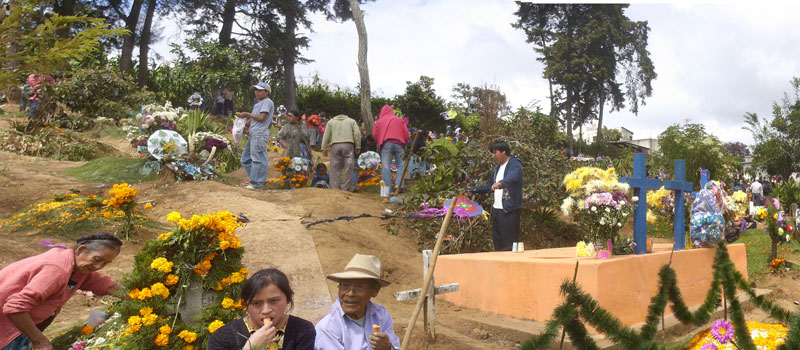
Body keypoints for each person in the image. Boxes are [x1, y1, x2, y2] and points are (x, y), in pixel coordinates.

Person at [0, 233, 123, 350]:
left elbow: (98, 283)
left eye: (105, 263)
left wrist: (135, 296)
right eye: (96, 259)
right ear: (81, 250)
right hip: (6, 327)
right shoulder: (57, 270)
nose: (98, 266)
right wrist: (40, 341)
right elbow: (15, 307)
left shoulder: (76, 265)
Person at [209, 269, 315, 350]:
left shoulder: (302, 330)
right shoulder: (222, 337)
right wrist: (251, 347)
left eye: (274, 301)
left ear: (287, 299)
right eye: (256, 303)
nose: (266, 310)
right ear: (246, 304)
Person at [315, 254, 400, 350]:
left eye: (359, 287)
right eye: (345, 286)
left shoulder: (381, 315)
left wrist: (387, 348)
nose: (350, 293)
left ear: (375, 290)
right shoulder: (328, 327)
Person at [467, 140, 524, 251]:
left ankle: (510, 266)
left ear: (503, 151)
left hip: (509, 210)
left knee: (509, 244)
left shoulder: (515, 164)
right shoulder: (498, 167)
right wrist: (473, 190)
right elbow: (491, 186)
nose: (493, 156)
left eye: (495, 152)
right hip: (497, 210)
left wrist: (500, 184)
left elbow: (511, 178)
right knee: (497, 241)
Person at [239, 82, 275, 190]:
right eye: (256, 90)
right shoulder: (258, 103)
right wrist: (240, 124)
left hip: (259, 134)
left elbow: (262, 117)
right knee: (245, 159)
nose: (257, 92)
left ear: (267, 92)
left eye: (260, 90)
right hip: (254, 133)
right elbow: (253, 120)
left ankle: (257, 183)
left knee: (257, 158)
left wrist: (247, 114)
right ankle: (256, 179)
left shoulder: (267, 102)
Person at [372, 105, 409, 193]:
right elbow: (406, 133)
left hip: (386, 144)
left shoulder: (379, 122)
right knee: (400, 165)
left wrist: (380, 141)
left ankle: (386, 190)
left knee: (386, 166)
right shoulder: (399, 120)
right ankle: (398, 186)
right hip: (399, 144)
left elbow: (374, 136)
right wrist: (406, 142)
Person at [320, 114, 360, 191]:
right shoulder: (352, 121)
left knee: (335, 167)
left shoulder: (331, 122)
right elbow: (357, 133)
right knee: (348, 167)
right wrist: (358, 146)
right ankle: (345, 187)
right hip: (348, 145)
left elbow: (326, 135)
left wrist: (323, 148)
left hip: (335, 145)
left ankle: (335, 187)